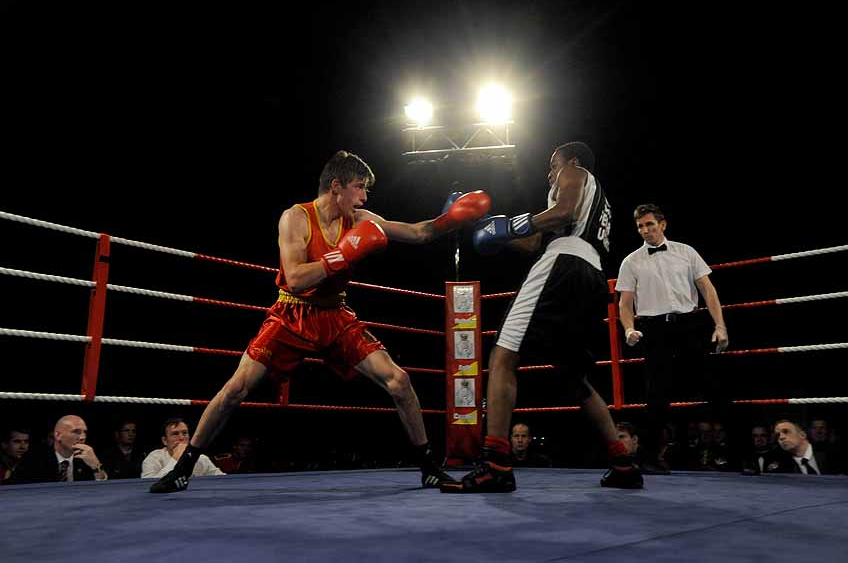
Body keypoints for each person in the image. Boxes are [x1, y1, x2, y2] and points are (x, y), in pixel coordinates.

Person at [150, 150, 490, 493]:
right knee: (236, 389)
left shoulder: (359, 219)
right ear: (336, 186)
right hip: (292, 313)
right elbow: (296, 279)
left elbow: (419, 232)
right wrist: (342, 255)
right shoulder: (295, 218)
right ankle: (183, 468)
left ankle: (429, 468)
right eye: (359, 187)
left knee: (399, 380)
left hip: (336, 315)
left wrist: (451, 220)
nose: (364, 196)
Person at [441, 141, 643, 493]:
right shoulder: (595, 200)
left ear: (572, 162)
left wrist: (509, 226)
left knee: (503, 354)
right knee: (574, 378)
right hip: (591, 278)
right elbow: (534, 242)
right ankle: (623, 463)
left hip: (563, 266)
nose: (550, 173)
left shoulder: (575, 172)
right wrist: (482, 226)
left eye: (553, 165)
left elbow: (563, 212)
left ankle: (495, 465)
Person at [615, 204, 729, 471]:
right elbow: (624, 303)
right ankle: (649, 458)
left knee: (714, 386)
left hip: (689, 325)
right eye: (640, 226)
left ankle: (741, 454)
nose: (645, 230)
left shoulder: (686, 252)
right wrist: (628, 329)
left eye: (649, 224)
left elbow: (708, 290)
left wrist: (720, 326)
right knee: (655, 395)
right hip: (654, 331)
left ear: (662, 224)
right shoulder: (630, 261)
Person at [17, 415, 108, 483]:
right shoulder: (34, 459)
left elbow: (102, 490)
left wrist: (95, 465)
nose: (82, 437)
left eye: (84, 432)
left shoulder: (87, 457)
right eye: (76, 432)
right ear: (58, 435)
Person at [142, 417, 224, 479]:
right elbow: (146, 486)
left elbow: (222, 480)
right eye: (175, 434)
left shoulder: (201, 458)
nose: (181, 438)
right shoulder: (154, 458)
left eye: (185, 433)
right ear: (165, 440)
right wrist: (176, 458)